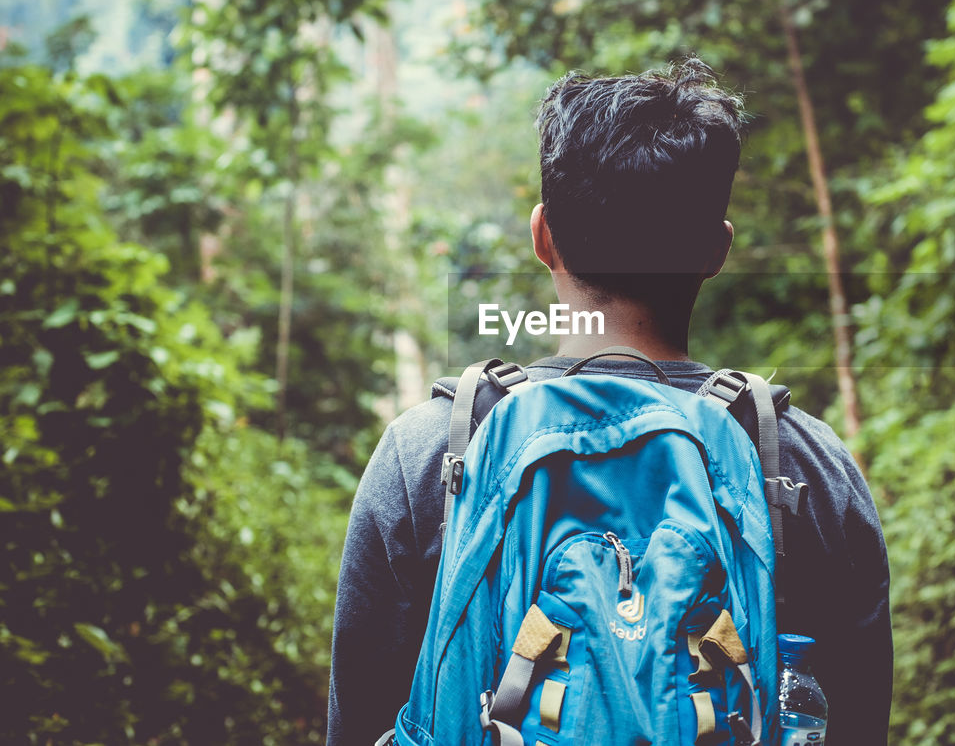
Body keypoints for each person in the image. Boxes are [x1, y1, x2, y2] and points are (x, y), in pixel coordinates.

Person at [327, 58, 892, 745]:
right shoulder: (806, 465)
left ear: (543, 238)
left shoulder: (432, 453)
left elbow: (359, 725)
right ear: (717, 250)